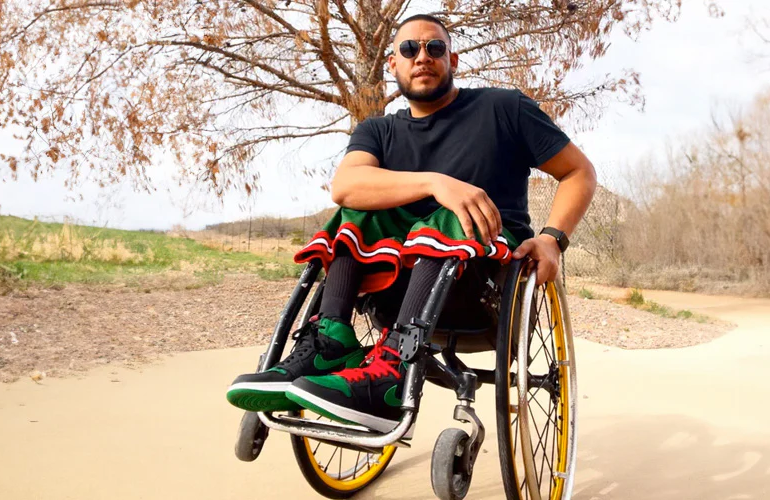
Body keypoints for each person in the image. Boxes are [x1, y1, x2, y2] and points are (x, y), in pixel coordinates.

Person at [226, 13, 596, 433]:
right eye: (409, 48)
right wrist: (437, 183)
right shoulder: (377, 131)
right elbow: (345, 185)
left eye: (435, 47)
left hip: (482, 283)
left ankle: (394, 373)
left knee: (450, 214)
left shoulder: (503, 109)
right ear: (393, 63)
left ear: (452, 58)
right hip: (391, 286)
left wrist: (552, 240)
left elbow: (579, 172)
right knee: (358, 208)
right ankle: (327, 343)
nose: (423, 56)